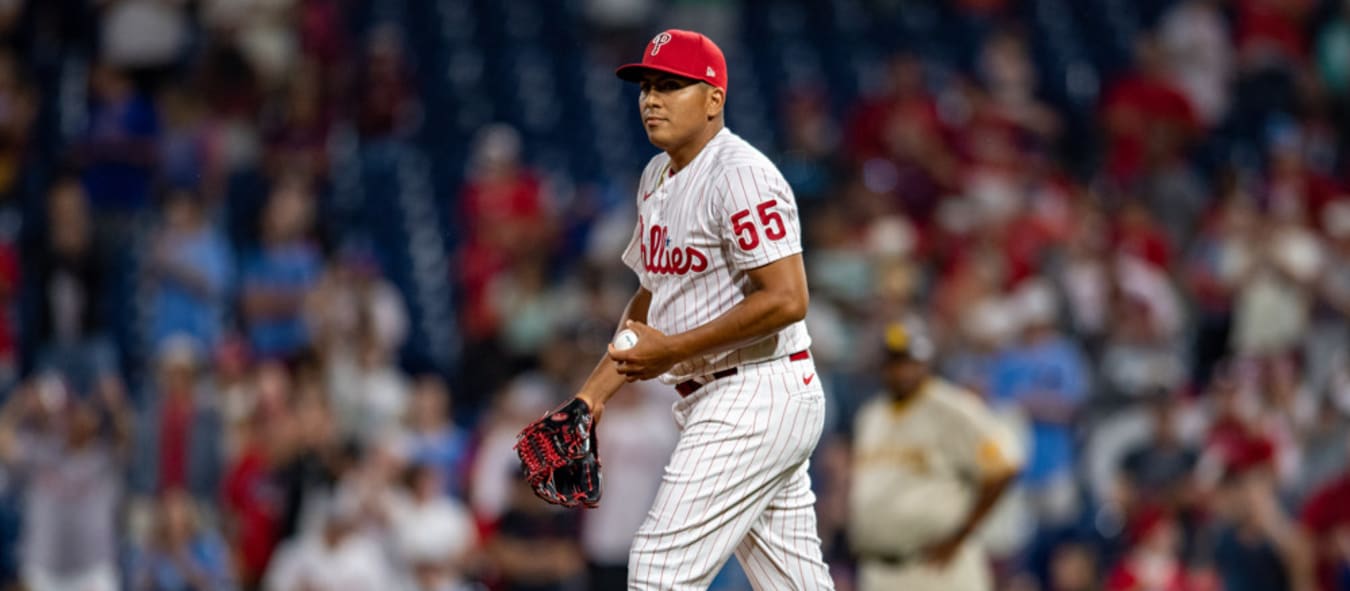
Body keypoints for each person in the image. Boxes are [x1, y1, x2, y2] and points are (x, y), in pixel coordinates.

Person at [562, 28, 834, 589]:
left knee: (659, 569)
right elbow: (648, 298)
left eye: (671, 86)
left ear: (714, 99)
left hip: (756, 391)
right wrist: (591, 398)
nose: (652, 99)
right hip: (728, 393)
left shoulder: (740, 173)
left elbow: (788, 297)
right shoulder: (655, 176)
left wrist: (675, 350)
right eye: (646, 87)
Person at [849, 322, 1023, 591]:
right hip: (877, 571)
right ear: (883, 367)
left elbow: (1005, 466)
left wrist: (961, 533)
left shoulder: (951, 408)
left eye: (910, 362)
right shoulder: (870, 415)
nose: (903, 371)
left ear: (926, 363)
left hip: (937, 572)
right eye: (896, 363)